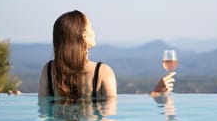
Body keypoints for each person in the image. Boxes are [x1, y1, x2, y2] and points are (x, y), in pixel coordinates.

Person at [38, 10, 175, 99]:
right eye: (91, 27)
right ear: (84, 35)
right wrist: (155, 94)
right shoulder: (102, 72)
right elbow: (109, 120)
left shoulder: (49, 71)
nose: (94, 32)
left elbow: (44, 115)